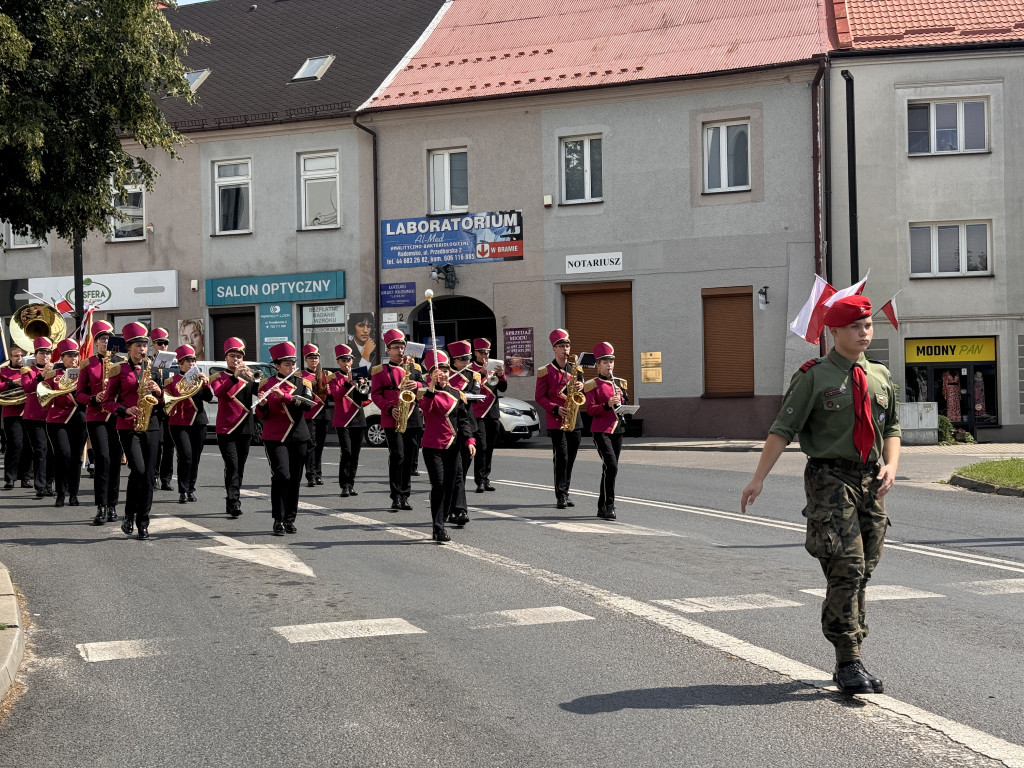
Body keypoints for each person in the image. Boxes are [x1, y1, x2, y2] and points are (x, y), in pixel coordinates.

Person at [740, 295, 901, 695]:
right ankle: (848, 659)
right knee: (846, 565)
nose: (864, 332)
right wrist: (758, 478)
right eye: (854, 327)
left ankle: (852, 650)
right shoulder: (814, 376)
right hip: (830, 479)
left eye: (867, 325)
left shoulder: (879, 376)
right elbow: (782, 429)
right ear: (833, 332)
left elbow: (892, 427)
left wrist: (891, 465)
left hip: (870, 482)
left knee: (864, 569)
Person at [103, 323, 164, 540]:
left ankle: (142, 521)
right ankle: (129, 513)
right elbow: (108, 401)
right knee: (138, 469)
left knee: (148, 476)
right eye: (138, 345)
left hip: (152, 425)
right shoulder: (118, 370)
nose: (142, 349)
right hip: (128, 426)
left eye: (145, 346)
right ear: (129, 347)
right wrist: (124, 409)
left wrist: (159, 391)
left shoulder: (154, 370)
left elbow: (163, 402)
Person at [256, 341, 318, 535]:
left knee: (295, 479)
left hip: (299, 436)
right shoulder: (266, 384)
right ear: (277, 365)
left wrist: (286, 397)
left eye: (293, 363)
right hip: (275, 436)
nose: (291, 367)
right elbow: (261, 414)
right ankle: (278, 519)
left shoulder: (303, 383)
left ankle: (290, 519)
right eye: (287, 364)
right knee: (282, 475)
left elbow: (308, 405)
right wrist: (263, 403)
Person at [417, 349, 475, 543]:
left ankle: (445, 517)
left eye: (445, 369)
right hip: (432, 447)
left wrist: (469, 441)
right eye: (437, 369)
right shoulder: (425, 393)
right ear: (431, 373)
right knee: (439, 486)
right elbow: (426, 408)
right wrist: (432, 386)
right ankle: (438, 527)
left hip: (453, 446)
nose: (442, 373)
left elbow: (463, 421)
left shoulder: (457, 394)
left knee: (450, 486)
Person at [370, 329, 424, 511]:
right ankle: (396, 495)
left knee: (409, 458)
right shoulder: (379, 370)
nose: (400, 350)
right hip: (392, 416)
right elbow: (375, 394)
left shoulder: (415, 368)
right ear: (388, 350)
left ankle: (405, 495)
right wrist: (389, 408)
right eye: (396, 347)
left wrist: (416, 385)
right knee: (397, 456)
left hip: (412, 416)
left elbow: (424, 389)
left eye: (402, 347)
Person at [76, 320, 122, 525]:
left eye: (108, 338)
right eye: (102, 338)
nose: (106, 341)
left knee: (116, 461)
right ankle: (101, 506)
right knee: (103, 459)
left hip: (118, 415)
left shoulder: (122, 362)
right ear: (96, 343)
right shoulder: (87, 364)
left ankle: (113, 505)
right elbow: (79, 394)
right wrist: (93, 398)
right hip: (96, 416)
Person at [535, 328, 583, 509]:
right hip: (556, 420)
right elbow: (540, 397)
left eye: (567, 346)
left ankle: (566, 490)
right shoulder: (545, 371)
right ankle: (561, 494)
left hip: (575, 419)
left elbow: (582, 391)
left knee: (570, 458)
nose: (565, 349)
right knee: (561, 456)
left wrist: (581, 385)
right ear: (554, 349)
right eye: (561, 346)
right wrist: (555, 408)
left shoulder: (576, 369)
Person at [211, 337, 258, 519]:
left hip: (245, 426)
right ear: (226, 358)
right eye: (232, 356)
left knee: (240, 466)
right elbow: (220, 393)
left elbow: (260, 392)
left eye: (239, 356)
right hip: (226, 428)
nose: (236, 359)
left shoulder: (248, 376)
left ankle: (234, 498)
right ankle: (233, 501)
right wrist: (234, 376)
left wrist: (252, 380)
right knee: (231, 464)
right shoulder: (218, 376)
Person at [584, 342, 627, 520]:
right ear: (597, 365)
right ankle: (609, 505)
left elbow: (625, 405)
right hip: (600, 430)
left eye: (611, 361)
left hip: (618, 429)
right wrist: (606, 405)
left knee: (609, 468)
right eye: (605, 362)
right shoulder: (591, 385)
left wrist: (622, 401)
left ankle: (602, 507)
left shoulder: (620, 383)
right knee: (612, 466)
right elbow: (590, 410)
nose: (609, 365)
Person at [165, 344, 213, 504]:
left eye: (193, 360)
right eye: (187, 361)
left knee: (195, 458)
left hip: (198, 422)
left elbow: (207, 398)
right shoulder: (171, 381)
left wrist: (206, 384)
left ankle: (191, 488)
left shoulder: (200, 378)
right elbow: (166, 402)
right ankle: (183, 490)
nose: (192, 364)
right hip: (179, 422)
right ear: (180, 363)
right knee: (185, 456)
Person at [446, 340, 480, 526]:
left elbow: (475, 394)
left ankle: (454, 503)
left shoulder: (473, 375)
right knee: (456, 471)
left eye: (468, 358)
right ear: (455, 360)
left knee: (462, 470)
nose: (468, 361)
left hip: (468, 425)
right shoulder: (445, 374)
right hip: (450, 426)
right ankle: (458, 509)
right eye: (464, 359)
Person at [468, 337, 506, 493]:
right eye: (482, 352)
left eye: (487, 352)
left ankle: (486, 478)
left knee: (489, 447)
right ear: (476, 352)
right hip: (478, 412)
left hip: (492, 411)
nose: (485, 355)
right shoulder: (470, 369)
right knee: (481, 446)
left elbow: (502, 388)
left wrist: (502, 375)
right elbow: (472, 389)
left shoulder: (494, 366)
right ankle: (479, 481)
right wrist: (482, 374)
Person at [20, 336, 55, 499]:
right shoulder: (28, 371)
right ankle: (40, 485)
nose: (45, 356)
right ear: (35, 355)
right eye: (42, 353)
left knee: (52, 451)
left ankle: (49, 484)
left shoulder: (57, 369)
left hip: (53, 415)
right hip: (33, 416)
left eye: (48, 353)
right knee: (40, 450)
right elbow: (28, 387)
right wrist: (42, 375)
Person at [329, 344, 366, 498]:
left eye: (348, 360)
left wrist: (363, 384)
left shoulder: (360, 374)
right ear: (338, 362)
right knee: (346, 452)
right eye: (343, 360)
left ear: (353, 360)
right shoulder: (333, 378)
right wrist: (348, 382)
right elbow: (336, 396)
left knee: (355, 454)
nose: (346, 363)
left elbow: (364, 397)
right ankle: (344, 485)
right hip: (343, 419)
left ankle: (351, 484)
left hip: (358, 417)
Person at [0, 344, 34, 491]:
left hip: (30, 411)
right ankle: (10, 478)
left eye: (21, 356)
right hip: (11, 412)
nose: (19, 358)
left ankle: (25, 477)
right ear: (10, 357)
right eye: (16, 356)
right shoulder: (4, 370)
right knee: (14, 444)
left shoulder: (30, 370)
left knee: (28, 445)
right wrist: (12, 383)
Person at [149, 327, 175, 491]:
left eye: (166, 343)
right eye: (160, 343)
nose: (163, 346)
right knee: (156, 445)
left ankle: (166, 479)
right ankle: (154, 476)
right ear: (153, 345)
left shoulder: (175, 365)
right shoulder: (148, 364)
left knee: (169, 446)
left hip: (170, 410)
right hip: (155, 410)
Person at [301, 344, 330, 487]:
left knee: (320, 445)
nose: (314, 360)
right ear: (306, 360)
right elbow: (299, 394)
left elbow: (331, 395)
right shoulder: (300, 375)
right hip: (309, 414)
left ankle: (318, 474)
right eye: (310, 358)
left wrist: (328, 389)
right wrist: (309, 386)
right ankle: (311, 475)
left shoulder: (326, 374)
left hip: (322, 413)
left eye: (316, 357)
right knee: (310, 445)